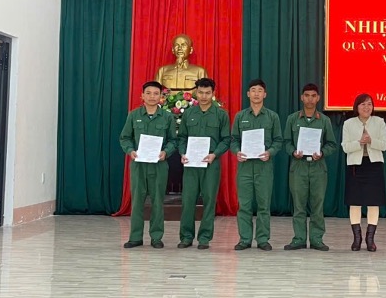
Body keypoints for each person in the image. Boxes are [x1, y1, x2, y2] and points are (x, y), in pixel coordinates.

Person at [119, 81, 177, 249]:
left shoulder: (167, 117)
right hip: (139, 165)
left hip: (159, 165)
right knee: (137, 201)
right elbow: (125, 138)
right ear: (142, 96)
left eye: (156, 93)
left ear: (161, 97)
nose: (152, 97)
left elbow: (173, 140)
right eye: (149, 93)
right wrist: (130, 150)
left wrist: (166, 152)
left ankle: (156, 237)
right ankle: (135, 237)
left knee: (158, 201)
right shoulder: (133, 115)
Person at [176, 78, 231, 250]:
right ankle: (186, 237)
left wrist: (215, 154)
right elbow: (181, 137)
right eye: (200, 92)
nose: (204, 96)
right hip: (191, 164)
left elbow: (226, 140)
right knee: (188, 201)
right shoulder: (189, 114)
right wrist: (183, 153)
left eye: (207, 93)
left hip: (211, 164)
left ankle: (205, 237)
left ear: (213, 93)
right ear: (196, 93)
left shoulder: (221, 115)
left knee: (209, 201)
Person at [282, 83, 338, 251]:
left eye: (313, 96)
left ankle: (316, 239)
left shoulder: (324, 120)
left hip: (318, 167)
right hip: (298, 166)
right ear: (302, 97)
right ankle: (299, 239)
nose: (310, 99)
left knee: (317, 206)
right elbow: (286, 142)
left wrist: (322, 152)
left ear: (318, 98)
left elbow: (332, 144)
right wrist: (293, 152)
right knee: (299, 206)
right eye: (307, 95)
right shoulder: (292, 119)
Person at [230, 79, 283, 251]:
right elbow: (233, 140)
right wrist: (237, 151)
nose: (256, 93)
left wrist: (270, 152)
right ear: (248, 94)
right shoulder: (240, 116)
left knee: (263, 205)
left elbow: (278, 140)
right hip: (245, 167)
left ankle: (262, 239)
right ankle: (244, 239)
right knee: (244, 205)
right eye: (253, 90)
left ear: (265, 94)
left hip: (264, 166)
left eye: (260, 90)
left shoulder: (272, 117)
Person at [341, 94, 386, 252]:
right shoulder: (348, 123)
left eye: (369, 104)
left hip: (374, 165)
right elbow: (345, 147)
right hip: (355, 166)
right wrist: (359, 143)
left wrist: (371, 141)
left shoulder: (379, 122)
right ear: (357, 107)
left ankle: (370, 240)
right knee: (354, 202)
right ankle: (357, 239)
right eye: (363, 104)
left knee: (373, 202)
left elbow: (385, 145)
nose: (366, 107)